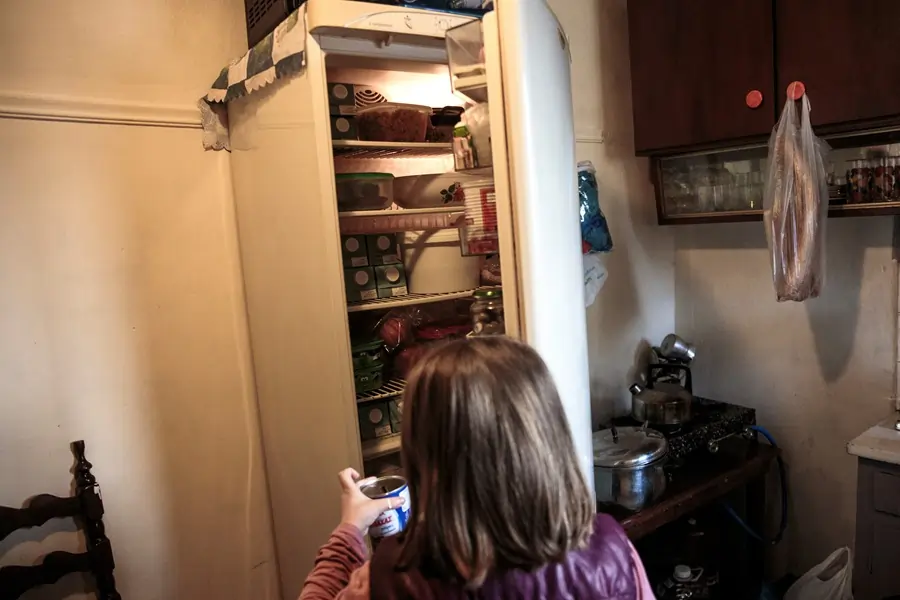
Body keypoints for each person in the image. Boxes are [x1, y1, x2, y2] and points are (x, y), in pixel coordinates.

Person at [300, 336, 655, 599]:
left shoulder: (393, 575)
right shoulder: (609, 549)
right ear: (548, 440)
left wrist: (349, 531)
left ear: (426, 458)